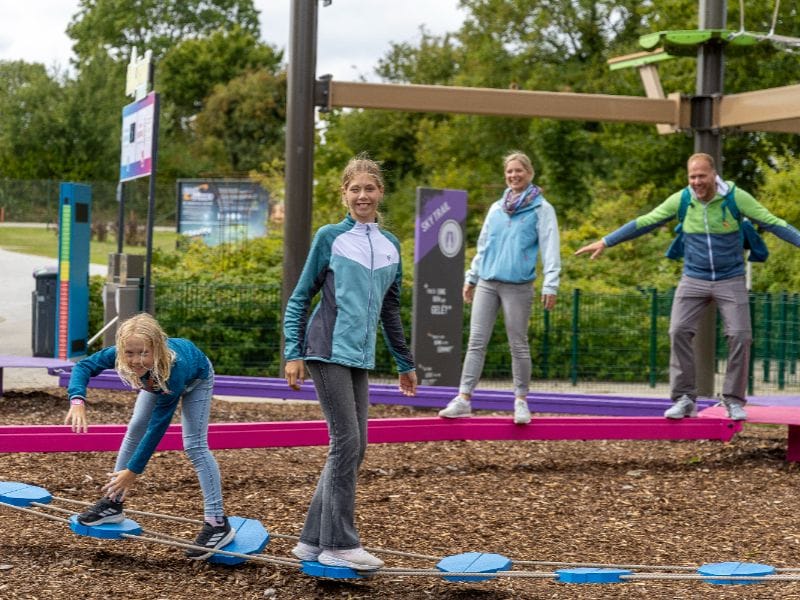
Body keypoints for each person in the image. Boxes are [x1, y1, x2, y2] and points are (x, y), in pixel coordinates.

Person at [575, 152, 800, 421]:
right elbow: (646, 221)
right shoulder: (682, 200)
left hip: (730, 278)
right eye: (692, 176)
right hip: (693, 278)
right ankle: (684, 398)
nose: (696, 182)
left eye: (701, 176)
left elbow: (773, 222)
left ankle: (733, 399)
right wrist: (607, 241)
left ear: (714, 175)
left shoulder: (735, 198)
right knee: (678, 330)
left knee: (740, 335)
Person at [283, 154, 417, 572]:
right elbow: (300, 296)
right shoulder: (330, 237)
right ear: (344, 193)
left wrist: (404, 362)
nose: (362, 195)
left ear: (380, 193)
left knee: (356, 448)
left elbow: (391, 310)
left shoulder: (391, 245)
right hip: (325, 350)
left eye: (370, 188)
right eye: (355, 189)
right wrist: (293, 352)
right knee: (346, 444)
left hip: (360, 357)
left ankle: (311, 540)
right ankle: (339, 543)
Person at [64, 313, 234, 560]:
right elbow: (84, 366)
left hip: (195, 378)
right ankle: (113, 502)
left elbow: (158, 427)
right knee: (134, 428)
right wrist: (77, 400)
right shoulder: (125, 354)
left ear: (157, 348)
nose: (135, 360)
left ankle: (218, 522)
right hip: (154, 380)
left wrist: (133, 472)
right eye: (129, 353)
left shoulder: (172, 370)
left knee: (194, 446)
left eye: (143, 352)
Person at [438, 151, 561, 424]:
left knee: (518, 344)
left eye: (519, 170)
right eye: (509, 171)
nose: (513, 175)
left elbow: (551, 249)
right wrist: (471, 278)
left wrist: (551, 284)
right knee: (476, 342)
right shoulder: (496, 208)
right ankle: (463, 398)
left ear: (529, 173)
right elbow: (484, 246)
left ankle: (520, 401)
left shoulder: (542, 209)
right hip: (487, 282)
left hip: (518, 286)